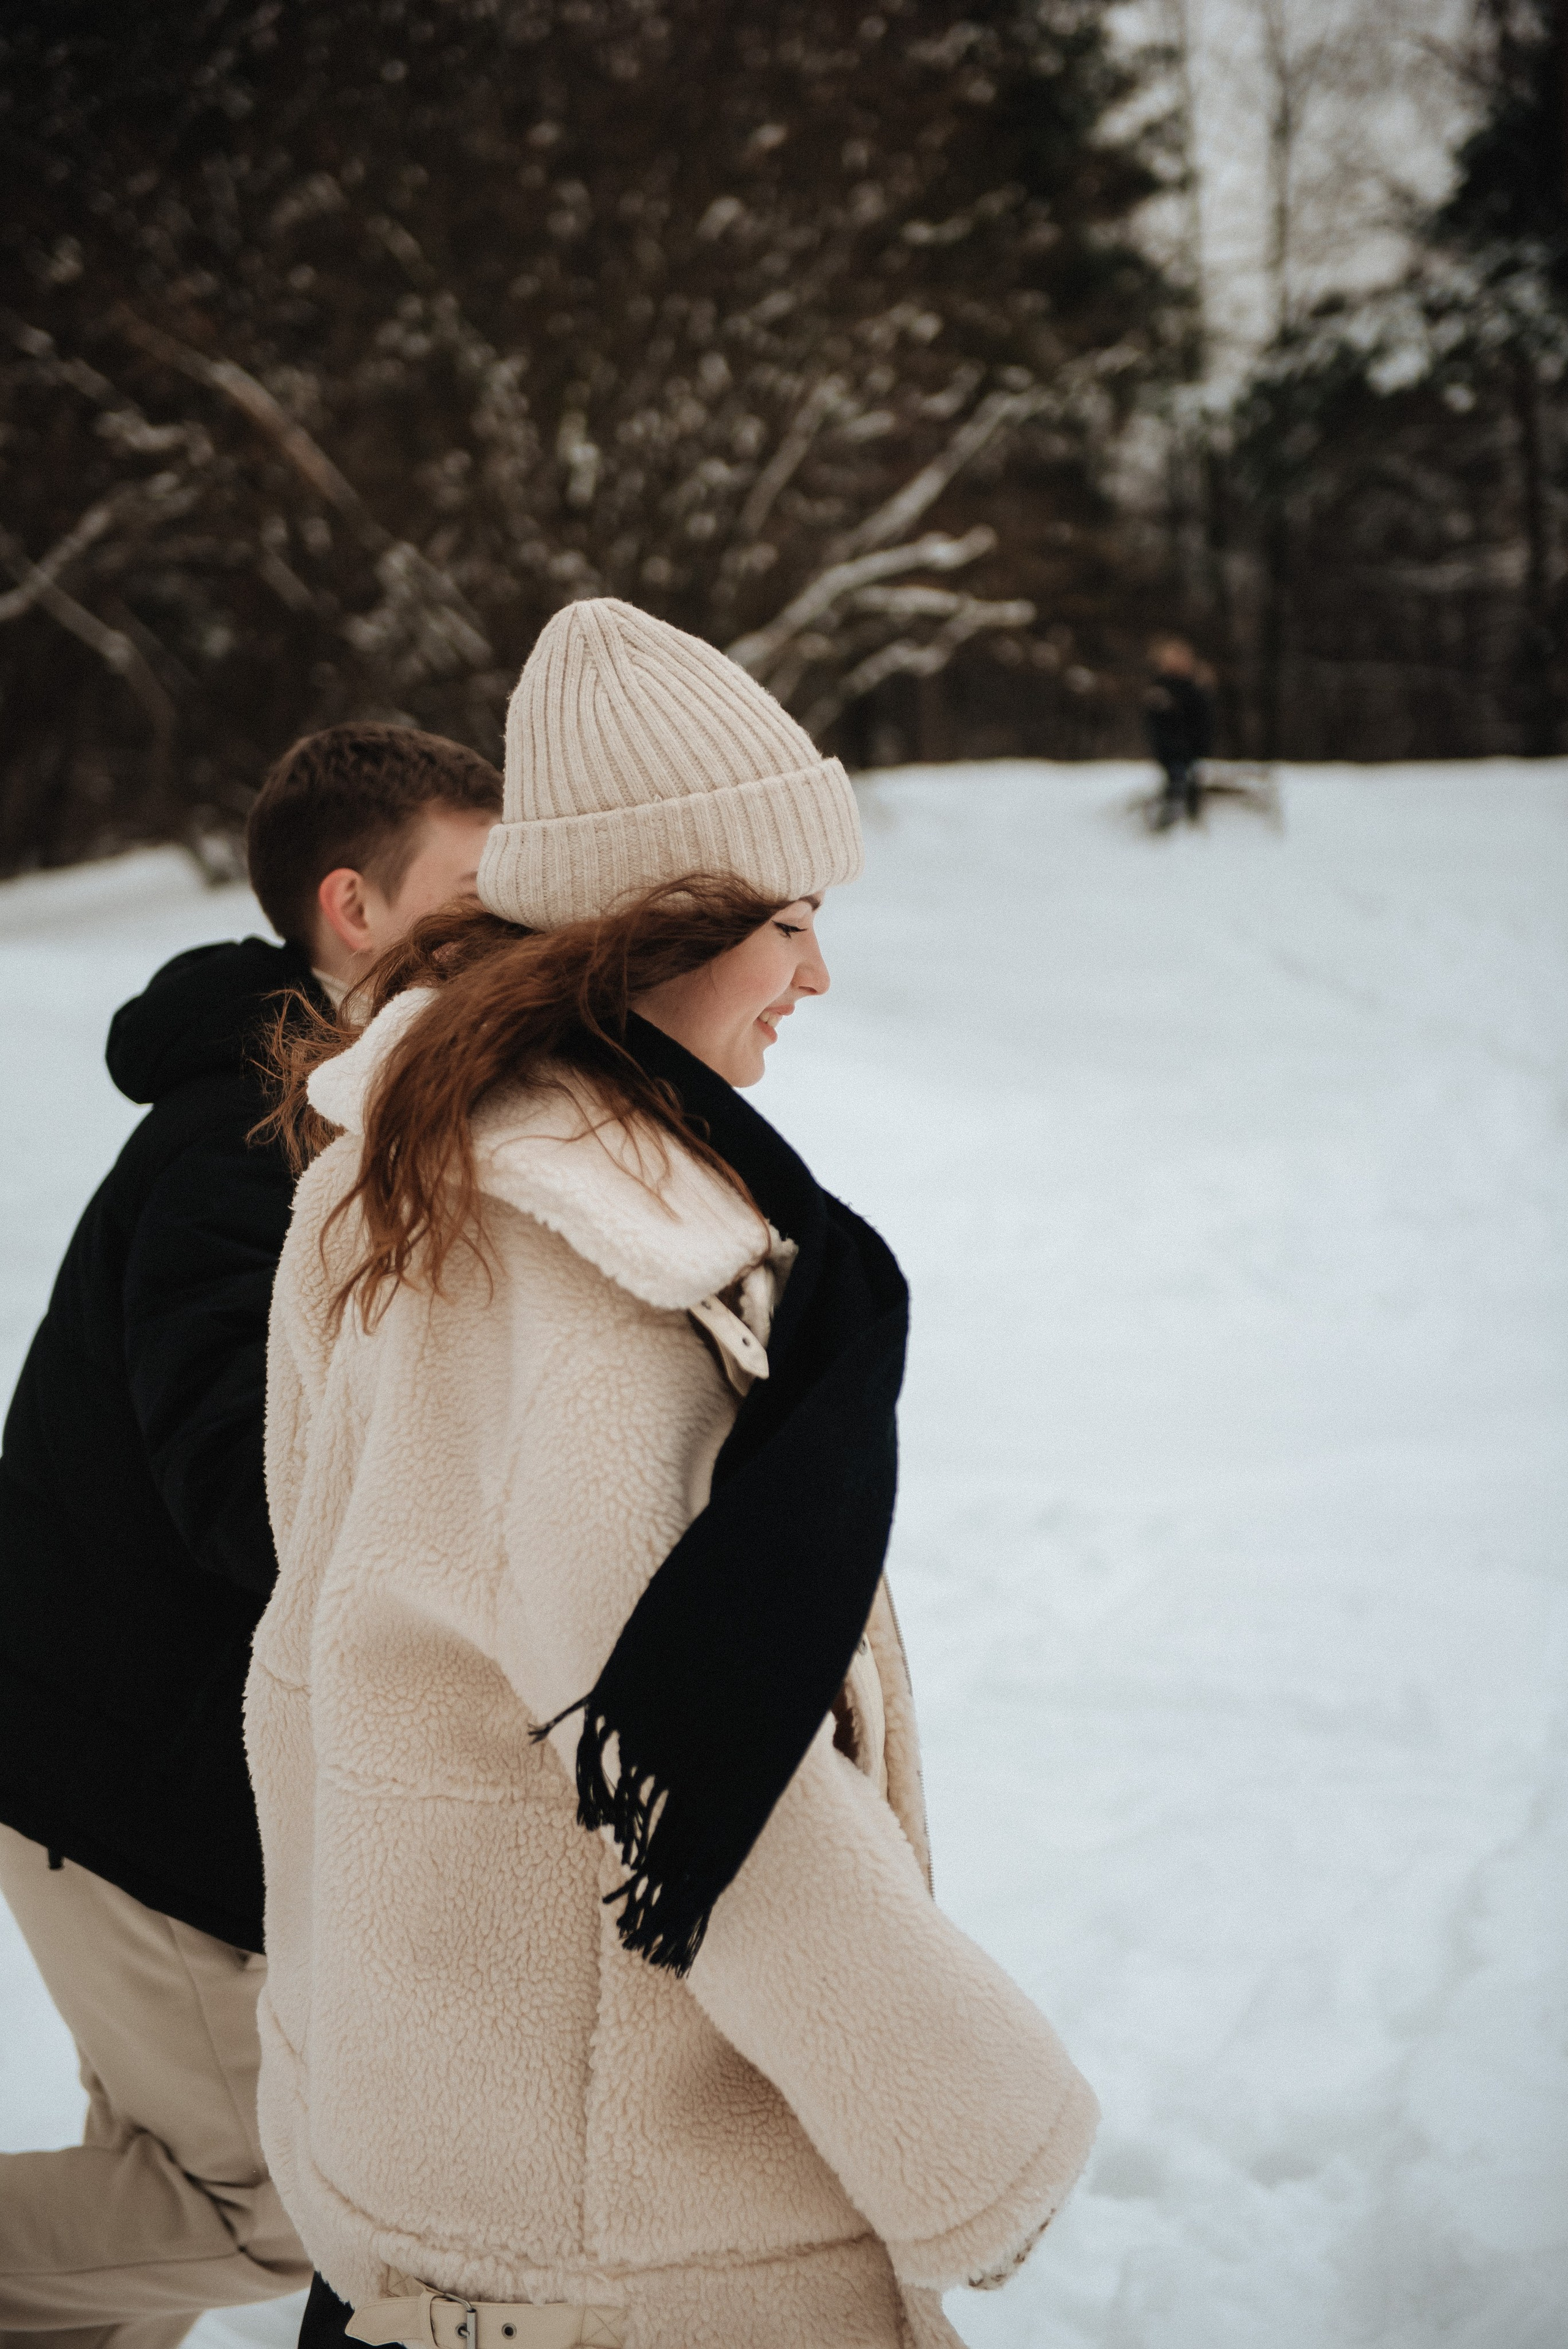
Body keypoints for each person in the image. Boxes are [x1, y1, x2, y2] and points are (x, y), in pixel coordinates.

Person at [252, 600, 1099, 2349]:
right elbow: (689, 1750)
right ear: (665, 922)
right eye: (787, 922)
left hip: (465, 2138)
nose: (816, 974)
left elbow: (308, 1641)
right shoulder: (594, 1266)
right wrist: (971, 2129)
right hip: (631, 2223)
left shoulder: (411, 1172)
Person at [0, 723, 501, 2349]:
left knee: (137, 2202)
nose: (518, 934)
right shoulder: (252, 1143)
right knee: (269, 2198)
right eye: (476, 897)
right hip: (129, 1776)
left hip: (141, 1758)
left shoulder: (342, 1115)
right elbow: (253, 1493)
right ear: (353, 907)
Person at [1144, 635, 1215, 827]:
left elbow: (1203, 722)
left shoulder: (1195, 689)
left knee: (1188, 777)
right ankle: (1172, 810)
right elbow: (1156, 725)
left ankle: (1188, 810)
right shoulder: (1160, 689)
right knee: (1175, 777)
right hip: (1169, 749)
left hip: (1192, 748)